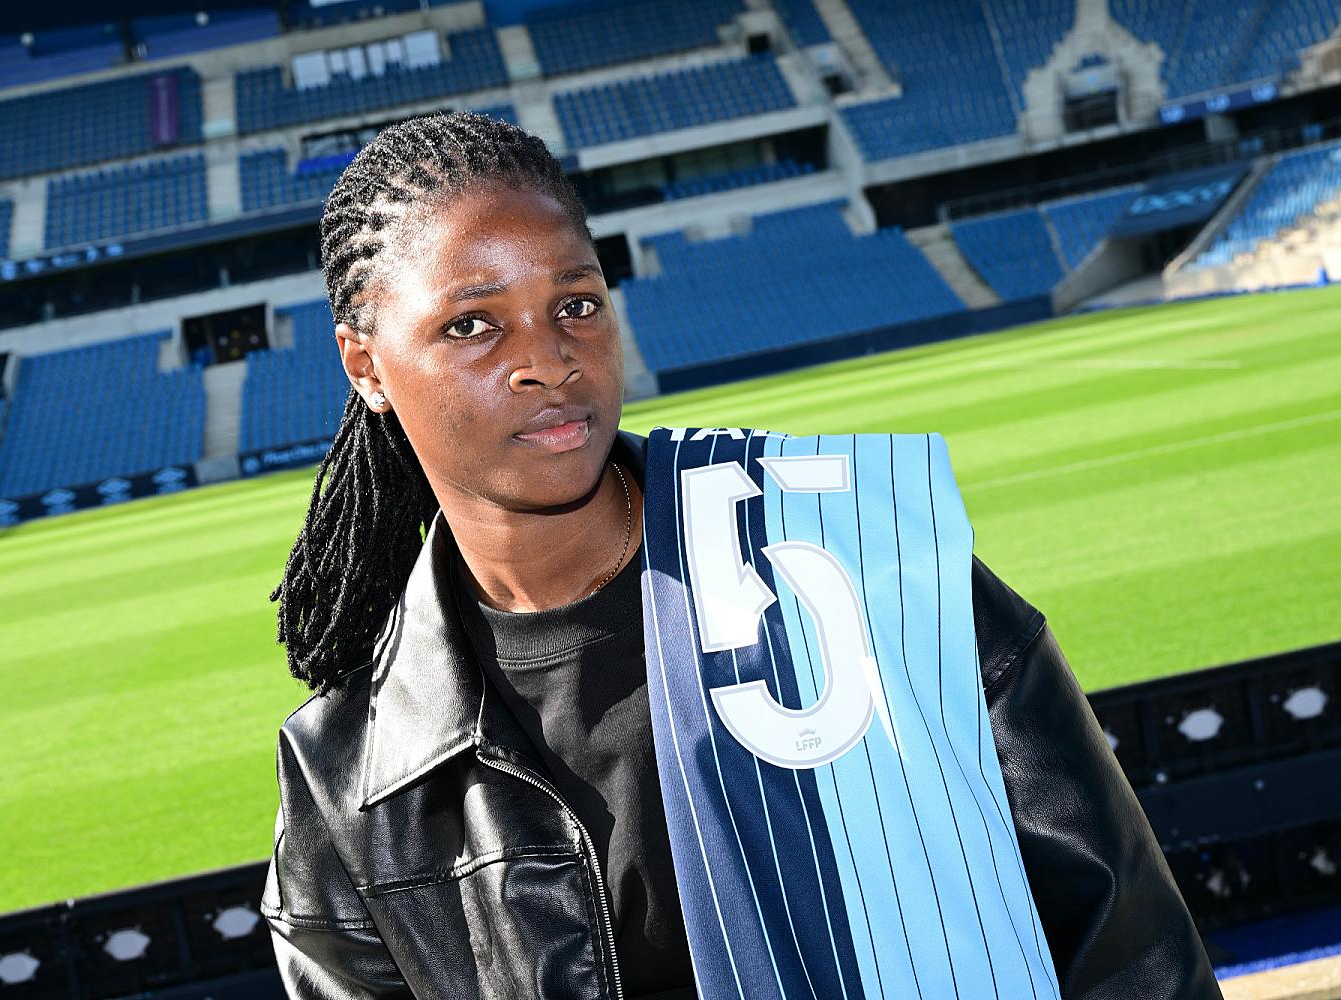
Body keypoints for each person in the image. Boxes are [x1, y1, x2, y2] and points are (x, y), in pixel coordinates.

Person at [260, 110, 1222, 1000]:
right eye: (471, 325)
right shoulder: (347, 775)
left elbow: (1123, 944)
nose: (548, 361)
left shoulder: (864, 565)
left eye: (577, 304)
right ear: (365, 365)